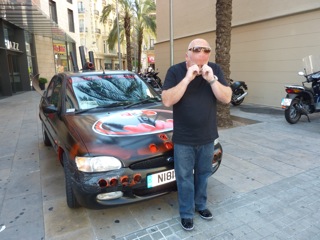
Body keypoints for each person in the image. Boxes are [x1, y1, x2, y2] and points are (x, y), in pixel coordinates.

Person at [161, 38, 232, 231]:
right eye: (197, 50)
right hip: (184, 138)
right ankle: (186, 212)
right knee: (184, 177)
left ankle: (201, 206)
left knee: (203, 174)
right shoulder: (175, 71)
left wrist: (211, 79)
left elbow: (226, 98)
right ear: (187, 54)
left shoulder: (214, 70)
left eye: (206, 50)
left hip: (207, 136)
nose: (202, 53)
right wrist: (187, 78)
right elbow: (167, 100)